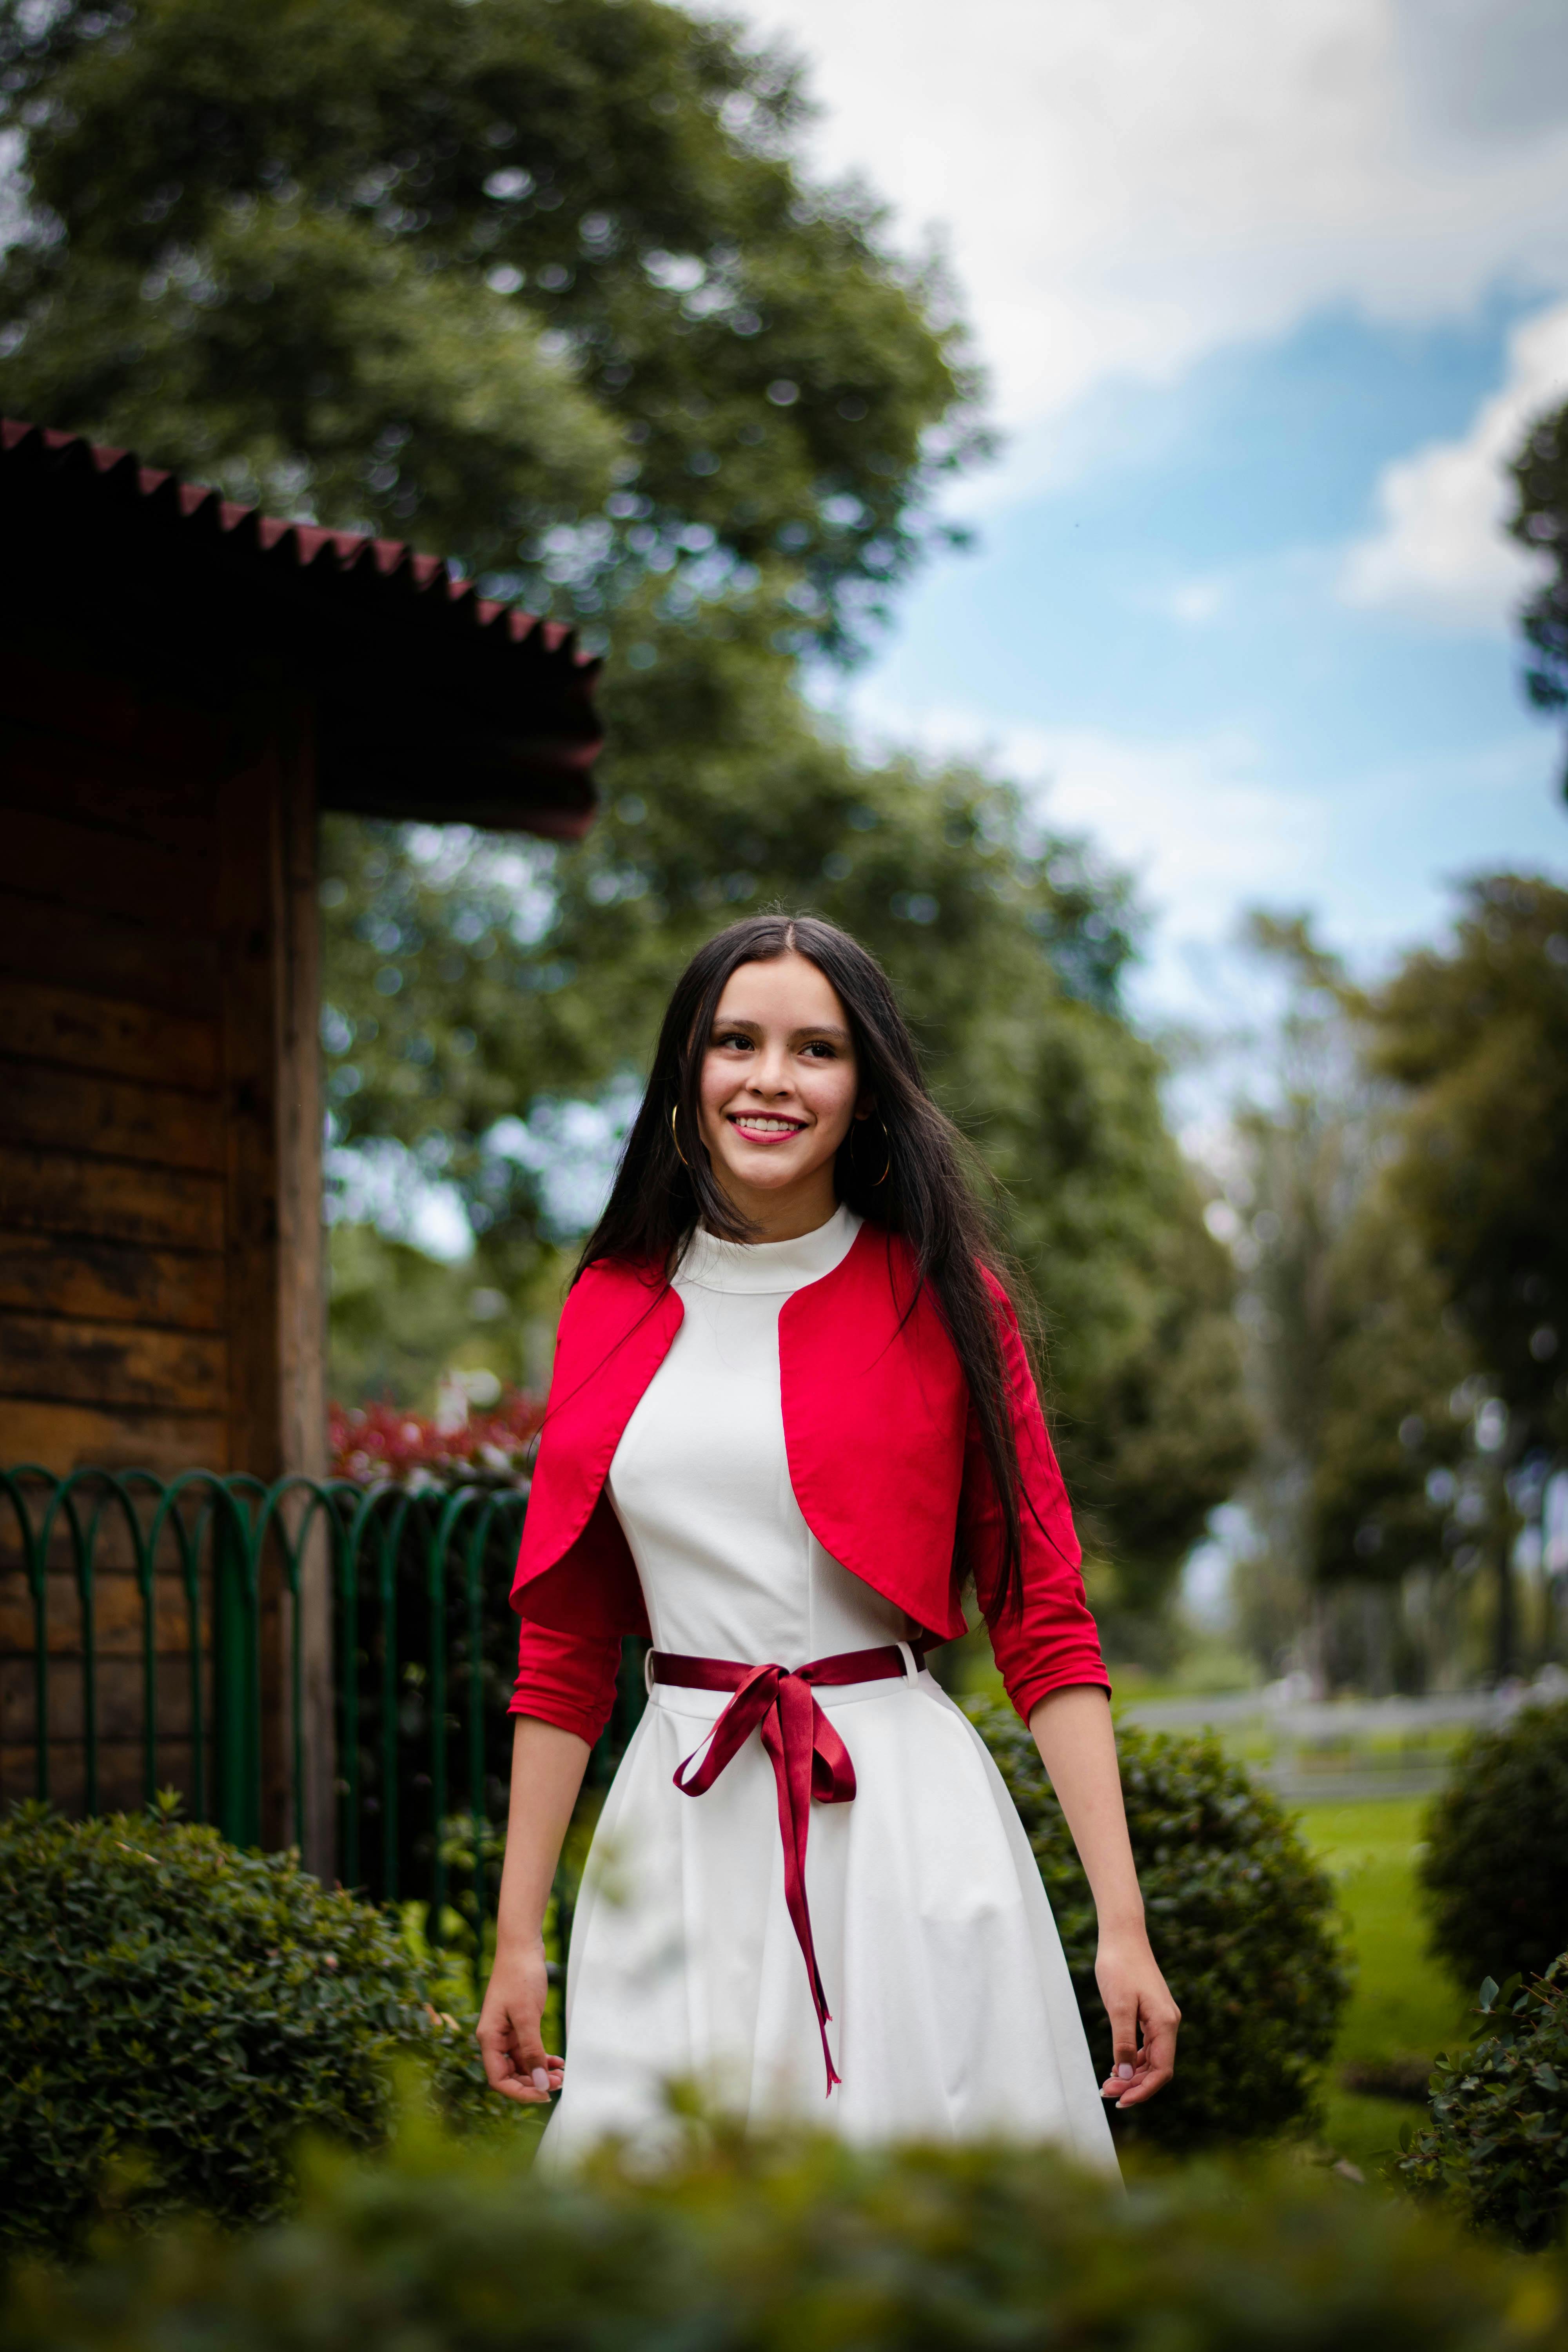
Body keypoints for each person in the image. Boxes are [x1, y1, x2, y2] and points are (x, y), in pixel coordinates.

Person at [477, 913, 1179, 2164]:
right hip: (677, 1835)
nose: (771, 1079)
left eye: (818, 1050)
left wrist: (1120, 1922)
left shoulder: (948, 1297)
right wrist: (518, 1934)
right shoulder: (608, 1305)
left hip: (900, 1831)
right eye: (736, 1042)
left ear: (867, 1091)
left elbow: (1045, 1618)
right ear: (687, 1078)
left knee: (917, 2234)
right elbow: (565, 1647)